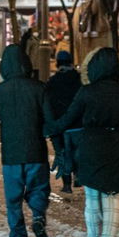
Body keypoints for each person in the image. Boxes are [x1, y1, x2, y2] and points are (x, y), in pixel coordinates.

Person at [42, 47, 119, 237]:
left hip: (92, 146)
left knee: (93, 196)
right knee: (114, 198)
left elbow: (68, 119)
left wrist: (48, 128)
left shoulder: (87, 92)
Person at [0, 44, 52, 237]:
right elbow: (51, 121)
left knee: (13, 202)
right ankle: (38, 215)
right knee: (38, 190)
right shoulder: (40, 88)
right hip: (36, 152)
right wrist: (61, 151)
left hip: (11, 156)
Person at [44, 50, 83, 194]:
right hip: (79, 124)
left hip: (61, 125)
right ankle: (78, 176)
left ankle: (67, 184)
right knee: (78, 152)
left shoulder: (53, 81)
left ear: (58, 63)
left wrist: (52, 124)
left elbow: (48, 103)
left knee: (64, 153)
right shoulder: (79, 80)